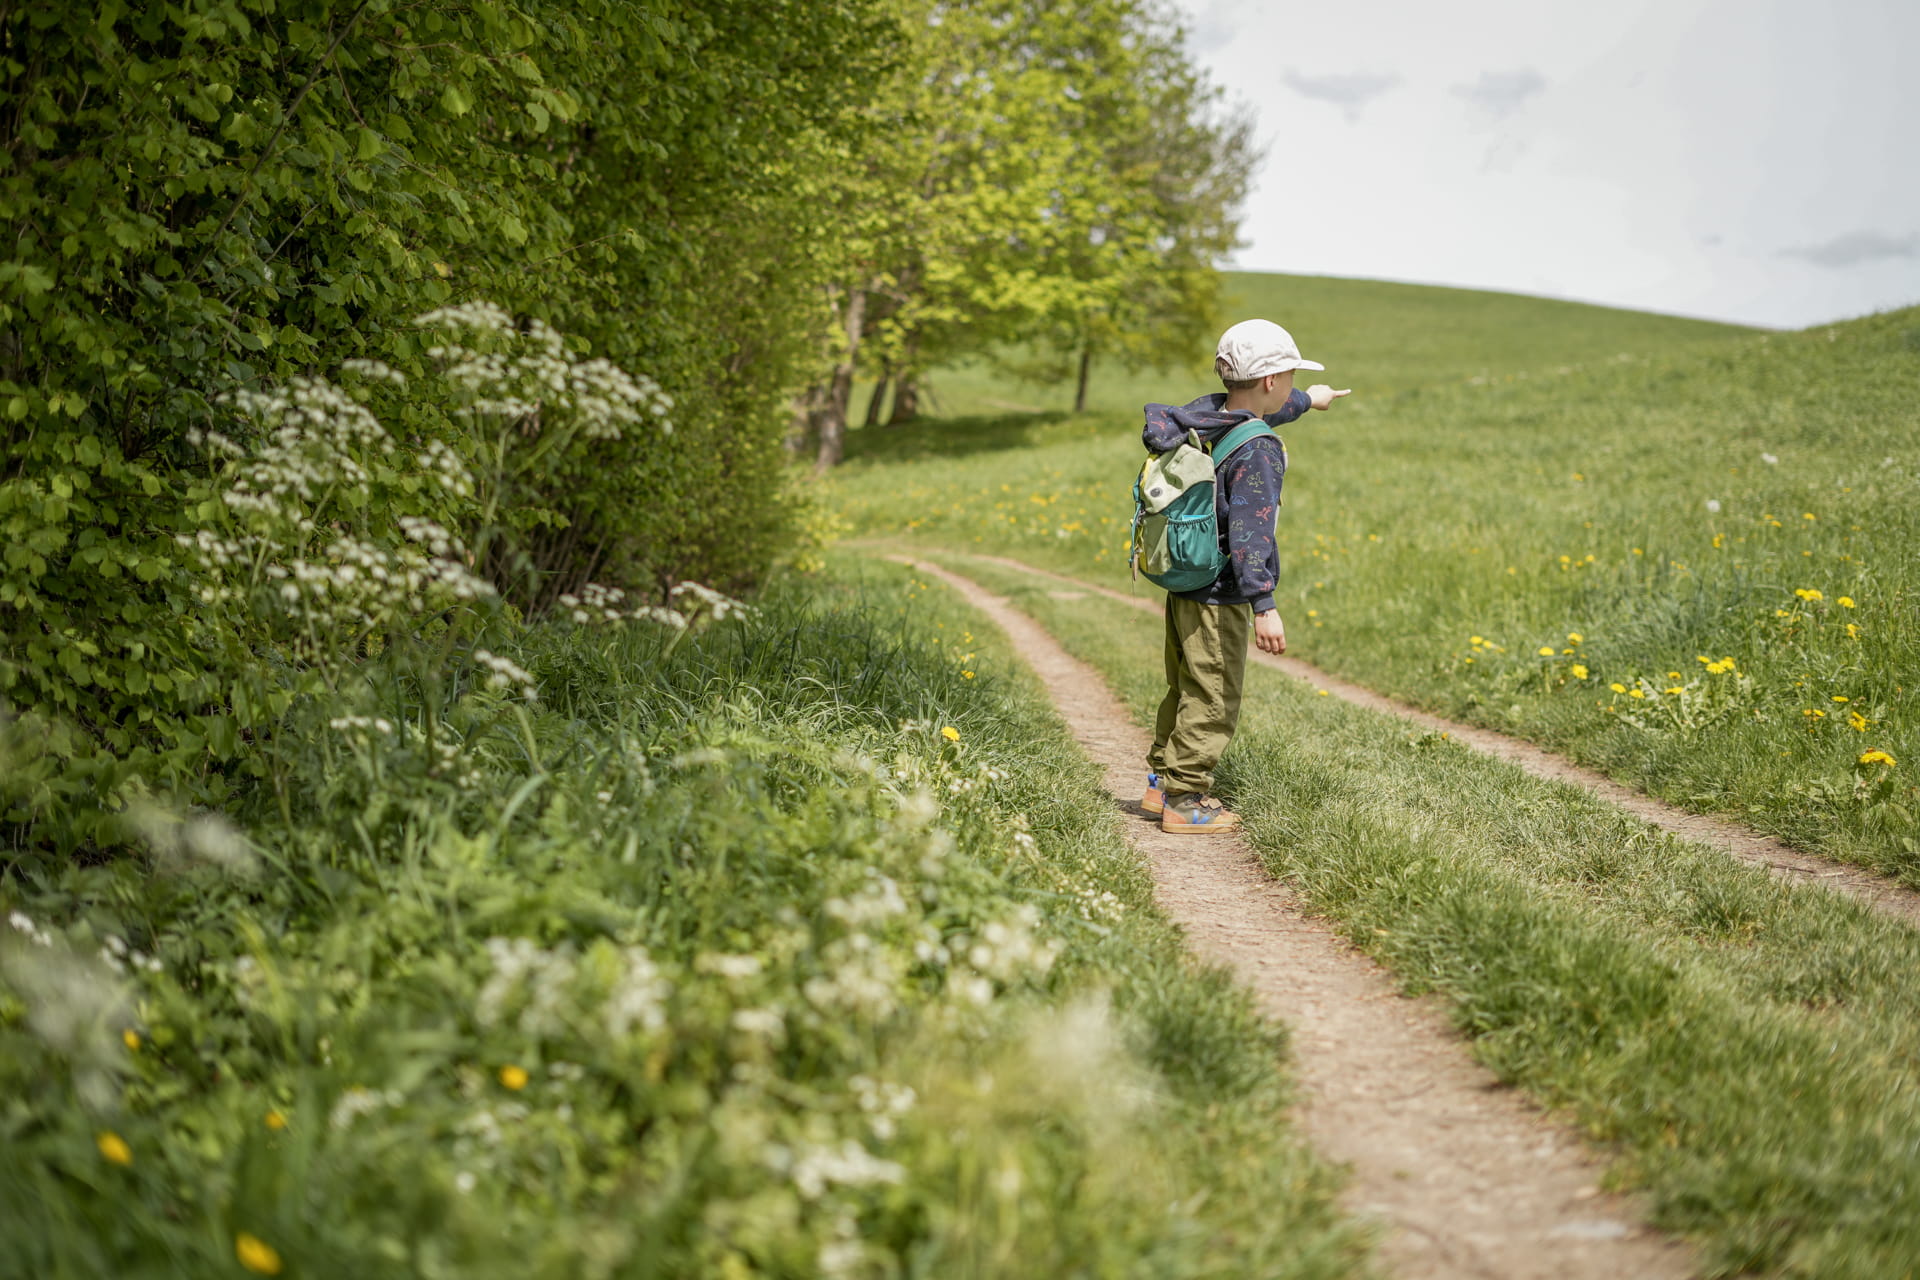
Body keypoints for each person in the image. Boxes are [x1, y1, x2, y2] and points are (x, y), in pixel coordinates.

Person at [1140, 319, 1349, 833]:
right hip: (1222, 593)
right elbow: (1251, 535)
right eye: (1293, 379)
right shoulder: (1258, 450)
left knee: (1186, 683)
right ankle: (1185, 800)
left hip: (1186, 579)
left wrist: (1312, 400)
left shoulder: (1206, 417)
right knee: (1214, 694)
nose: (1294, 387)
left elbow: (1261, 413)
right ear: (1271, 381)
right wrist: (1264, 604)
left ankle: (1158, 786)